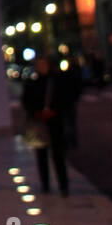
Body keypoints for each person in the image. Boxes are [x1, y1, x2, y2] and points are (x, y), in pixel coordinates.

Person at [22, 57, 69, 196]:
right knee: (41, 154)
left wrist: (54, 111)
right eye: (39, 65)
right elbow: (27, 101)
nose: (41, 67)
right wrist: (37, 113)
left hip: (55, 122)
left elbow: (64, 99)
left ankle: (63, 185)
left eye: (43, 65)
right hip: (39, 123)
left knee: (58, 155)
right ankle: (45, 184)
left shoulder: (56, 82)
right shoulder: (32, 83)